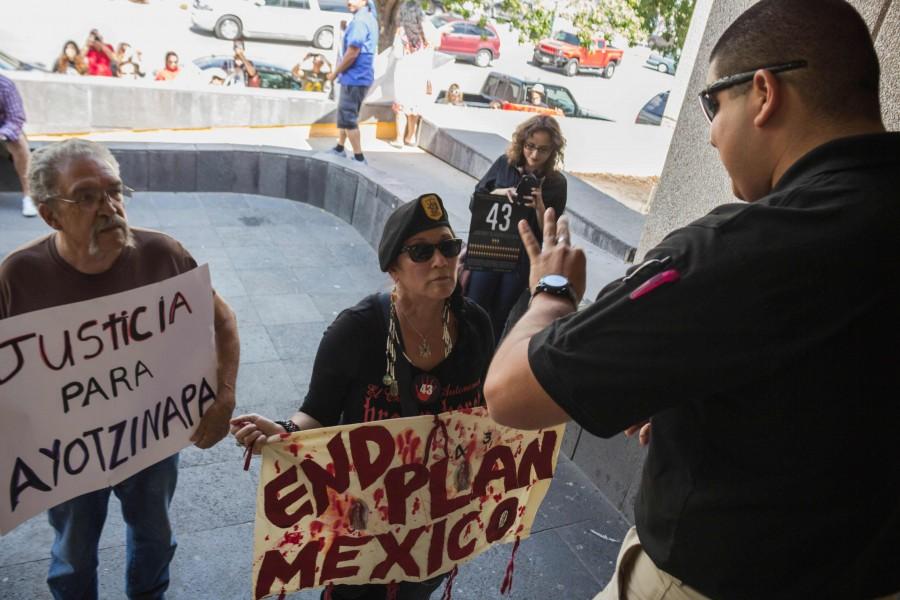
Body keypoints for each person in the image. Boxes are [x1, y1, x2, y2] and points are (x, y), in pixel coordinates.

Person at [483, 1, 900, 599]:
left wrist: (551, 292)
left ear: (763, 93)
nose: (707, 133)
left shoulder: (740, 249)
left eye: (712, 103)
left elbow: (510, 393)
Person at [0, 139, 241, 599]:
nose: (109, 207)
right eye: (87, 197)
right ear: (51, 215)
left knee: (154, 539)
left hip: (151, 442)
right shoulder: (18, 276)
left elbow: (223, 319)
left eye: (114, 191)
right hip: (66, 455)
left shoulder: (164, 255)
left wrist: (223, 396)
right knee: (72, 554)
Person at [231, 193, 494, 600]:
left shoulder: (475, 325)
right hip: (363, 512)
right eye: (422, 252)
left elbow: (481, 411)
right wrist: (283, 432)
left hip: (436, 510)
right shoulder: (356, 330)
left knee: (417, 588)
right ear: (394, 268)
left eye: (448, 247)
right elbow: (316, 412)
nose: (440, 261)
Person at [466, 114, 567, 342]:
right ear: (521, 143)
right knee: (474, 306)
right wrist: (500, 193)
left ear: (553, 151)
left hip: (521, 258)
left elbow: (550, 234)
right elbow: (476, 202)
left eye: (543, 150)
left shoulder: (556, 183)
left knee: (499, 316)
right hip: (490, 247)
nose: (534, 155)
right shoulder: (505, 164)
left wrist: (540, 206)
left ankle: (486, 367)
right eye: (530, 146)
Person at [327, 0, 377, 164]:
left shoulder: (360, 22)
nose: (348, 1)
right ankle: (340, 148)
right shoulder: (368, 17)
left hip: (354, 78)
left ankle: (359, 158)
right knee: (346, 115)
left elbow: (352, 52)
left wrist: (335, 73)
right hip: (360, 77)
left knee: (348, 119)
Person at [391, 0, 434, 147]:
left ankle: (398, 139)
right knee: (414, 107)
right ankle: (411, 137)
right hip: (420, 74)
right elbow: (431, 53)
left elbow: (397, 54)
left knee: (401, 108)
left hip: (404, 73)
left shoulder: (402, 32)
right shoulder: (426, 31)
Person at [0, 73, 34, 217]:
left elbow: (16, 118)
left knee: (19, 142)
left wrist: (2, 133)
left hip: (2, 134)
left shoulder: (5, 85)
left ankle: (29, 196)